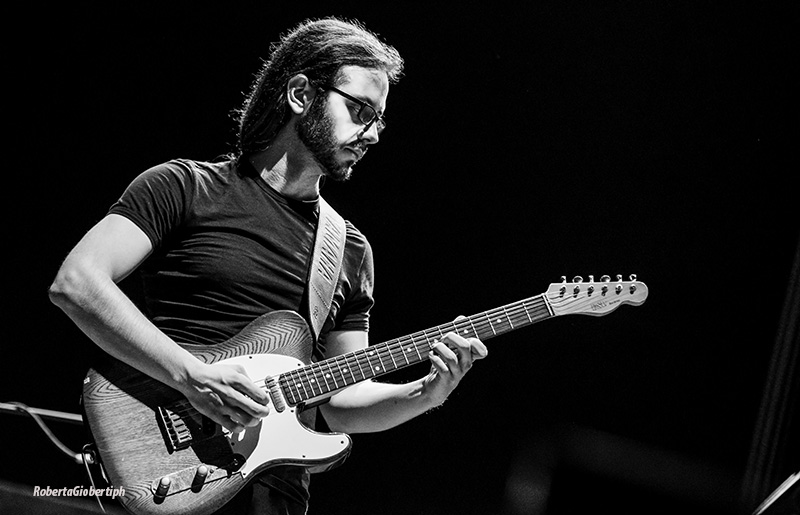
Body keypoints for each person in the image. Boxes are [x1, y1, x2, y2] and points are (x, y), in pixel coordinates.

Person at [48, 16, 487, 515]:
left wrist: (425, 393)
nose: (374, 135)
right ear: (301, 94)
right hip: (167, 467)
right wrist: (192, 376)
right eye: (361, 109)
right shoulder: (184, 187)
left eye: (380, 119)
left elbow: (340, 402)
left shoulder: (349, 248)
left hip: (273, 495)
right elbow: (77, 282)